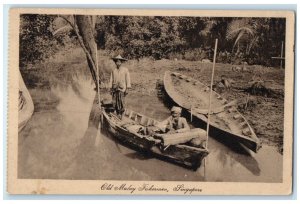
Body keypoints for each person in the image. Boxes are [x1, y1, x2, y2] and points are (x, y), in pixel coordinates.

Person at [109, 55, 131, 119]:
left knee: (121, 101)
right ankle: (117, 113)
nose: (118, 63)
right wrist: (110, 88)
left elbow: (128, 79)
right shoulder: (113, 70)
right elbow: (111, 80)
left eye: (119, 62)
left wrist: (127, 88)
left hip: (122, 88)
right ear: (115, 62)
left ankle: (121, 114)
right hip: (115, 88)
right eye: (117, 62)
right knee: (115, 101)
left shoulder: (125, 70)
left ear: (121, 62)